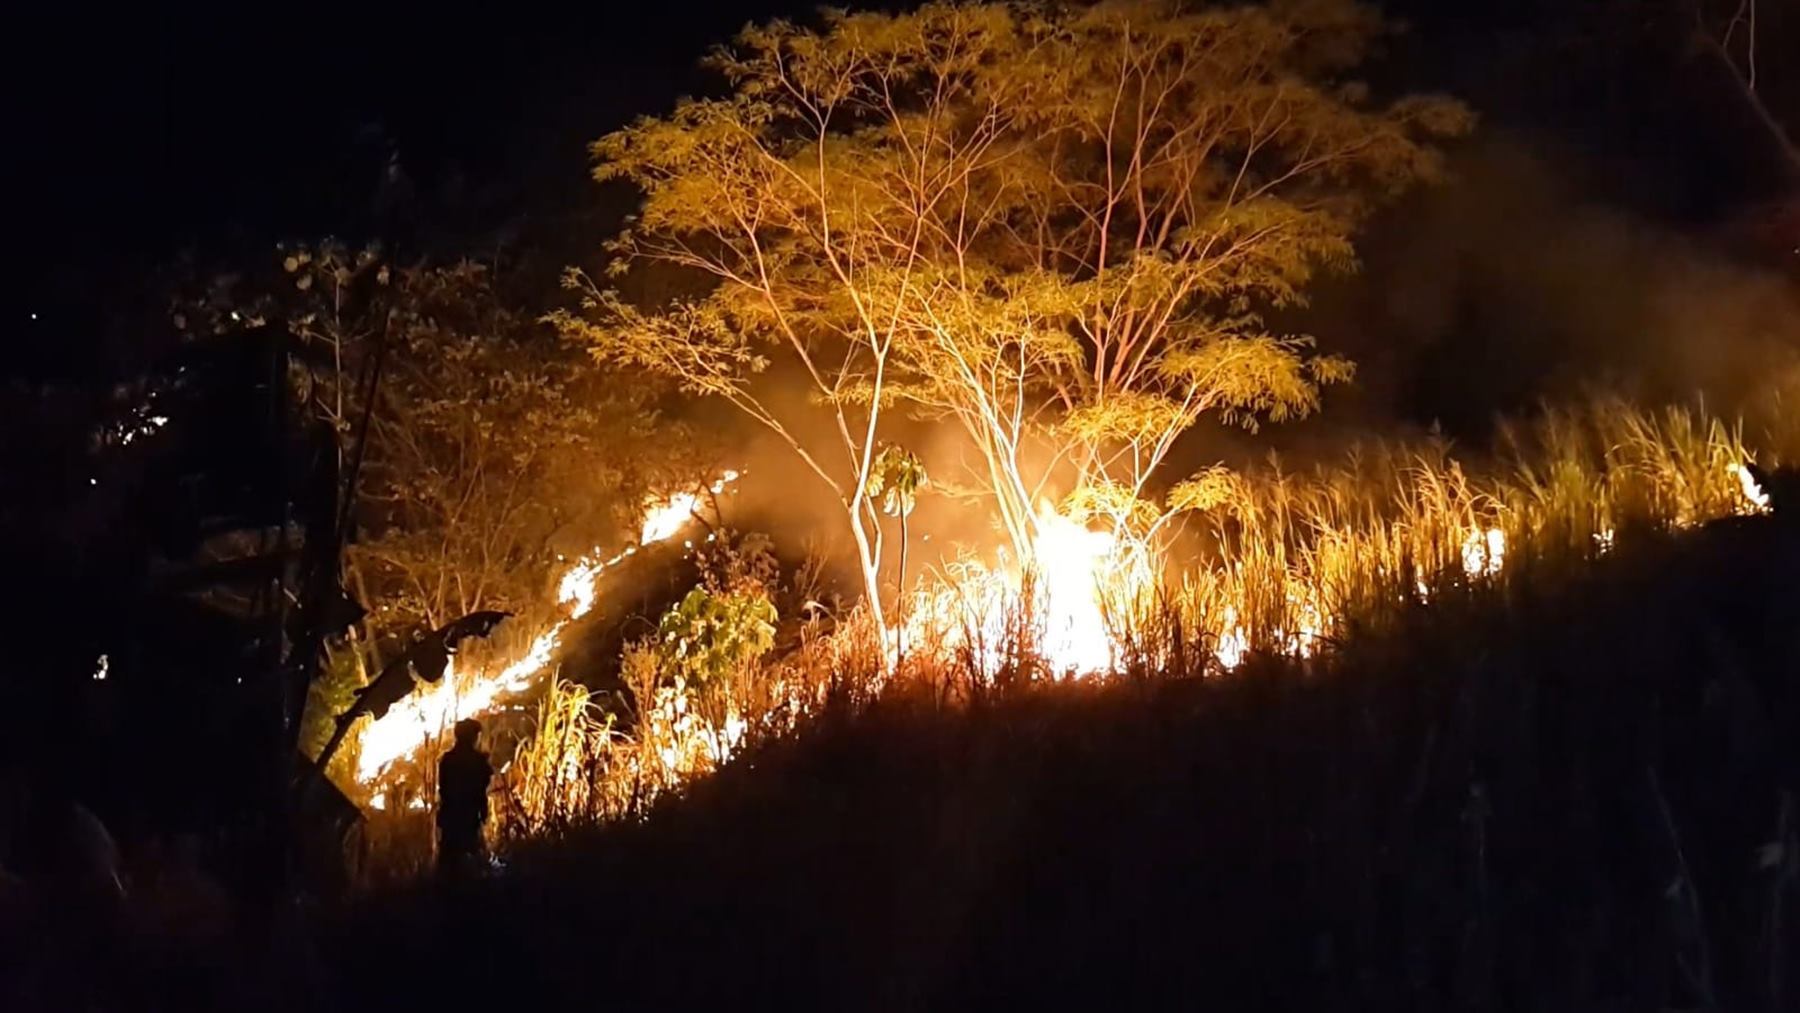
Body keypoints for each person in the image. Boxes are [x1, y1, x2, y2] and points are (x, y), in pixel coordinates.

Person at [436, 719, 492, 875]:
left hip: (450, 816)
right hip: (469, 815)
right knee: (472, 857)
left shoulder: (447, 759)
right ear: (473, 737)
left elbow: (443, 789)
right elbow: (481, 790)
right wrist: (484, 812)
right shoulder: (478, 761)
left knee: (449, 859)